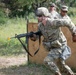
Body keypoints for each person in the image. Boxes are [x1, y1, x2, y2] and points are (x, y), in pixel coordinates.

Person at [30, 7, 76, 75]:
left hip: (60, 45)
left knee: (47, 61)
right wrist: (33, 37)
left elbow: (68, 22)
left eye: (39, 16)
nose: (38, 18)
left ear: (44, 16)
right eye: (37, 16)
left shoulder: (52, 22)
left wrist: (74, 33)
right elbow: (39, 35)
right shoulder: (40, 26)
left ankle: (57, 73)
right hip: (53, 46)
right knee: (61, 65)